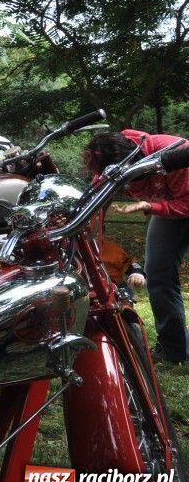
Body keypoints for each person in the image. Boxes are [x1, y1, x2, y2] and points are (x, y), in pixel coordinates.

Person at [85, 130, 189, 366]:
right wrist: (95, 234)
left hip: (184, 198)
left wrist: (150, 205)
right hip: (169, 205)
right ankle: (175, 350)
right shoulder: (109, 162)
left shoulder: (173, 153)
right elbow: (99, 196)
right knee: (158, 273)